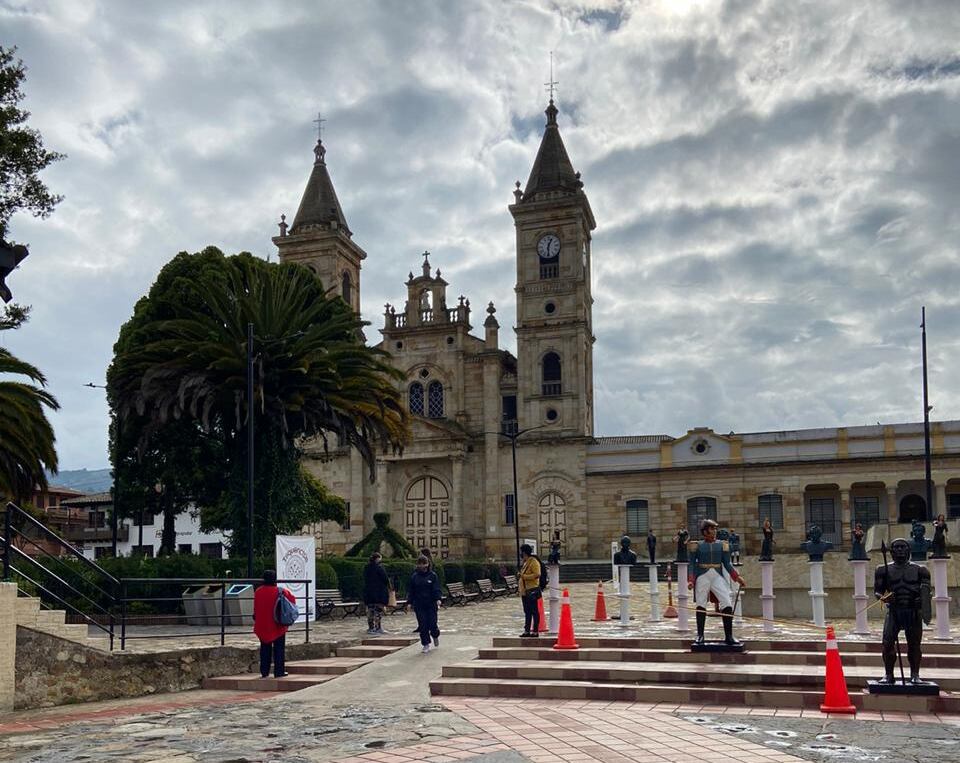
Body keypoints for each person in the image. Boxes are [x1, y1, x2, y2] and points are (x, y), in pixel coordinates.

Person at [875, 538, 932, 683]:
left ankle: (915, 675)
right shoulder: (882, 570)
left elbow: (926, 592)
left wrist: (921, 600)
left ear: (909, 550)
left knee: (914, 645)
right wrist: (885, 598)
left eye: (903, 547)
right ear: (891, 551)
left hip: (912, 611)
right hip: (894, 611)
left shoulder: (921, 570)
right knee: (887, 643)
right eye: (897, 547)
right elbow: (877, 592)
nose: (900, 550)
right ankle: (888, 674)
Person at [688, 519, 746, 646]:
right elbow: (692, 564)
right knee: (701, 604)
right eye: (712, 528)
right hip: (702, 575)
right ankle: (700, 635)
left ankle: (729, 636)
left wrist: (737, 577)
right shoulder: (697, 545)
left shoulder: (722, 545)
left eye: (715, 528)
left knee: (726, 602)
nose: (714, 531)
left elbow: (727, 563)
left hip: (717, 575)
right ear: (705, 531)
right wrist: (691, 580)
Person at [253, 569, 297, 679]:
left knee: (264, 648)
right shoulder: (281, 591)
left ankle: (264, 671)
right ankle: (279, 671)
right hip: (278, 624)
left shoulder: (258, 591)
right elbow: (292, 601)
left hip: (262, 624)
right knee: (279, 648)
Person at [408, 554, 442, 654]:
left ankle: (435, 635)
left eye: (424, 564)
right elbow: (411, 590)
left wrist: (438, 599)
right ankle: (425, 644)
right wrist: (409, 602)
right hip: (419, 604)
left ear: (427, 564)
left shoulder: (433, 575)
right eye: (420, 564)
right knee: (422, 625)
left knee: (432, 624)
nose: (422, 566)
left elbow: (436, 588)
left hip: (431, 604)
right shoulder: (414, 577)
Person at [363, 552, 391, 635]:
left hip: (369, 593)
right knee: (377, 611)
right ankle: (378, 627)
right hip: (378, 593)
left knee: (370, 611)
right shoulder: (379, 568)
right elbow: (385, 579)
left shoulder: (366, 568)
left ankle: (371, 627)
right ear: (378, 559)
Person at [518, 543, 542, 637]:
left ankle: (535, 631)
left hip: (531, 590)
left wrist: (523, 576)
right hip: (525, 591)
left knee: (534, 611)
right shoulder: (526, 562)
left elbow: (537, 574)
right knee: (527, 611)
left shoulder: (533, 562)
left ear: (524, 552)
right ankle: (527, 630)